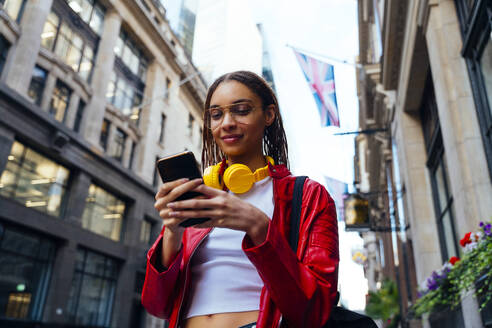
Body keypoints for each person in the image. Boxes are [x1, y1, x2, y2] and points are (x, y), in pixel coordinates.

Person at [142, 71, 339, 328]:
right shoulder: (200, 198)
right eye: (216, 114)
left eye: (242, 110)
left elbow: (315, 309)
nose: (226, 123)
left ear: (269, 115)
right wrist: (172, 232)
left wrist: (258, 227)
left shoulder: (309, 196)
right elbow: (157, 306)